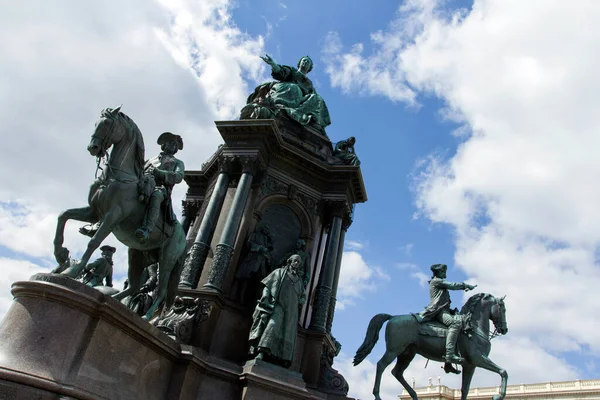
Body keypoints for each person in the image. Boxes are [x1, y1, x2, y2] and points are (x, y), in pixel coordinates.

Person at [241, 54, 331, 133]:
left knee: (318, 99)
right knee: (294, 88)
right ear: (299, 63)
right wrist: (273, 64)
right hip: (286, 89)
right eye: (304, 61)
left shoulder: (309, 83)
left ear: (309, 68)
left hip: (301, 100)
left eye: (308, 63)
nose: (305, 63)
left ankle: (314, 123)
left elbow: (312, 95)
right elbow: (281, 72)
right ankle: (285, 108)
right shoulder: (292, 71)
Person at [248, 254, 305, 368]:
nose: (296, 264)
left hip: (292, 311)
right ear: (289, 261)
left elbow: (302, 295)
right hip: (278, 305)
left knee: (287, 333)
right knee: (272, 325)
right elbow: (268, 286)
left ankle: (282, 358)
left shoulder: (299, 281)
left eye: (299, 262)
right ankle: (262, 352)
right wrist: (265, 296)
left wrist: (302, 299)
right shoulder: (279, 272)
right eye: (295, 261)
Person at [418, 264, 476, 374]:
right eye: (443, 271)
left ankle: (448, 365)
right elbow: (453, 285)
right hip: (439, 311)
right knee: (455, 324)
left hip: (445, 310)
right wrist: (465, 285)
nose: (445, 273)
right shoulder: (436, 281)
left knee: (462, 322)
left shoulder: (437, 281)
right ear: (438, 272)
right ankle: (449, 354)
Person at [135, 132, 185, 243]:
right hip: (144, 184)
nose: (172, 146)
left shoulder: (177, 163)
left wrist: (160, 173)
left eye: (174, 145)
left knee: (156, 196)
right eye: (170, 143)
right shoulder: (151, 160)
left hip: (161, 187)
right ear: (164, 145)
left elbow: (179, 177)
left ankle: (147, 229)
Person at [233, 223, 273, 303]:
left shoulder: (266, 239)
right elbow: (249, 243)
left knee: (256, 283)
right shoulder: (255, 235)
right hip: (251, 261)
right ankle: (236, 297)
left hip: (260, 265)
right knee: (243, 279)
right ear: (263, 229)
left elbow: (267, 253)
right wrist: (259, 248)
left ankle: (252, 301)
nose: (267, 231)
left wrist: (267, 256)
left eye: (268, 230)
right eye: (266, 229)